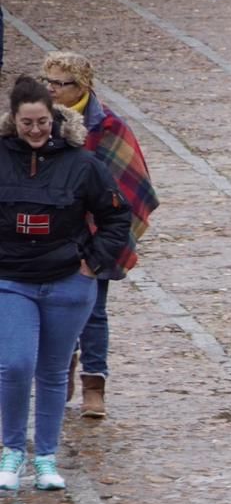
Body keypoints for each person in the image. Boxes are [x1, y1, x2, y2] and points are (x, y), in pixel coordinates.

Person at [0, 76, 130, 492]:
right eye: (27, 123)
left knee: (54, 372)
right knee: (16, 364)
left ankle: (46, 457)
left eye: (42, 122)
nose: (36, 131)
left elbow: (116, 216)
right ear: (14, 121)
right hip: (11, 280)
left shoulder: (82, 163)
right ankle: (12, 450)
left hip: (67, 283)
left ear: (54, 119)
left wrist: (92, 263)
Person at [42, 51, 160, 420]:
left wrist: (103, 237)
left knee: (94, 311)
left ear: (81, 85)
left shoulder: (107, 126)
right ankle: (62, 373)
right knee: (53, 310)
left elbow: (127, 185)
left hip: (95, 232)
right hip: (52, 231)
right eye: (49, 82)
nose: (53, 90)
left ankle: (95, 383)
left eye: (60, 83)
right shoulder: (41, 121)